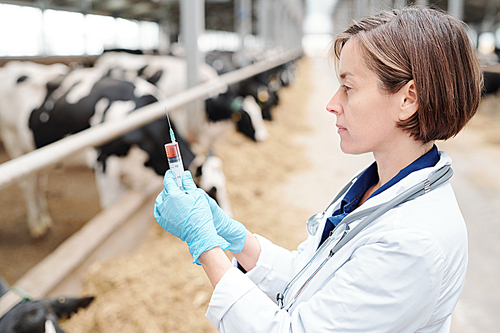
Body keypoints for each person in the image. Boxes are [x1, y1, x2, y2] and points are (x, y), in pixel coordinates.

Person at [154, 7, 483, 332]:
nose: (332, 103)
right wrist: (235, 238)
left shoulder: (412, 243)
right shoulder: (378, 186)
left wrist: (205, 246)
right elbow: (309, 277)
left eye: (348, 88)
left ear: (408, 99)